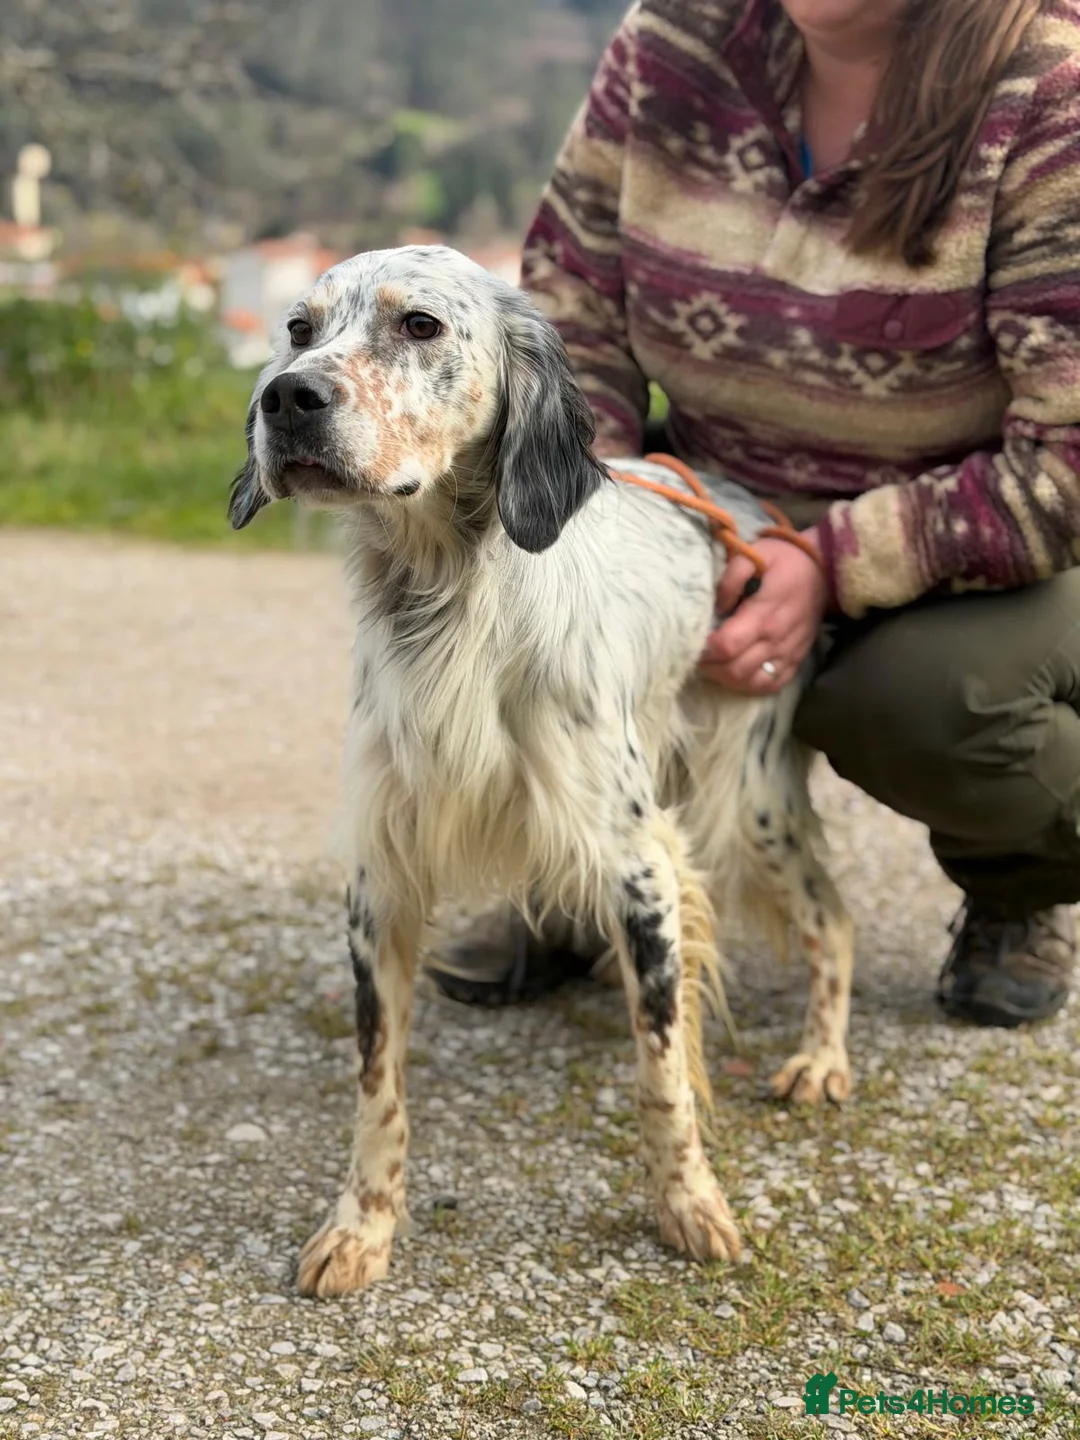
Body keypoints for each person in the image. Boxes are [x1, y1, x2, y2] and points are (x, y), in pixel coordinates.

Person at [427, 0, 1080, 1027]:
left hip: (981, 531)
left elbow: (1069, 463)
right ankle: (580, 871)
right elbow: (571, 305)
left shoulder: (1049, 95)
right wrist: (615, 520)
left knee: (935, 709)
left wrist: (828, 565)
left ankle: (1019, 878)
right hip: (710, 483)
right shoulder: (672, 41)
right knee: (512, 571)